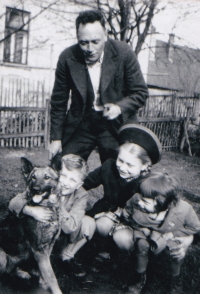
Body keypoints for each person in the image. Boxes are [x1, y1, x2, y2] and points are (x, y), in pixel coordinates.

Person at [82, 124, 194, 285]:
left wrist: (188, 237)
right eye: (120, 160)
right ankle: (104, 253)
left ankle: (138, 266)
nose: (122, 167)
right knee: (99, 224)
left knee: (125, 239)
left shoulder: (150, 182)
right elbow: (84, 184)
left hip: (136, 221)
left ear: (145, 167)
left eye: (130, 165)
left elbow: (173, 207)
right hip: (108, 212)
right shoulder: (109, 167)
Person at [49, 9, 149, 164]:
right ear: (78, 38)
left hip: (115, 126)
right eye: (84, 43)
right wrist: (56, 138)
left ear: (106, 34)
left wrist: (119, 108)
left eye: (95, 41)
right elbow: (58, 102)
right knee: (64, 169)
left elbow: (140, 92)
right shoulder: (67, 58)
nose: (90, 49)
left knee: (117, 175)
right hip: (81, 123)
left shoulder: (124, 53)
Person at [9, 154, 96, 277]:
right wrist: (29, 210)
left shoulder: (81, 195)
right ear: (57, 173)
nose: (65, 182)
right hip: (43, 236)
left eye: (72, 180)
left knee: (89, 223)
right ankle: (32, 263)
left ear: (79, 184)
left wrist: (57, 204)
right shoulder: (46, 188)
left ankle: (66, 257)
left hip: (63, 234)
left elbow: (70, 227)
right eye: (64, 176)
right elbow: (13, 203)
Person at [112, 172, 200, 294]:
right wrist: (138, 227)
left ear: (162, 203)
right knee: (142, 245)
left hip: (168, 233)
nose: (140, 202)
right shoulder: (138, 200)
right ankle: (140, 277)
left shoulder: (184, 210)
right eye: (141, 198)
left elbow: (195, 227)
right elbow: (127, 215)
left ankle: (175, 279)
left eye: (145, 202)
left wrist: (174, 234)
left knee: (174, 250)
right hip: (144, 232)